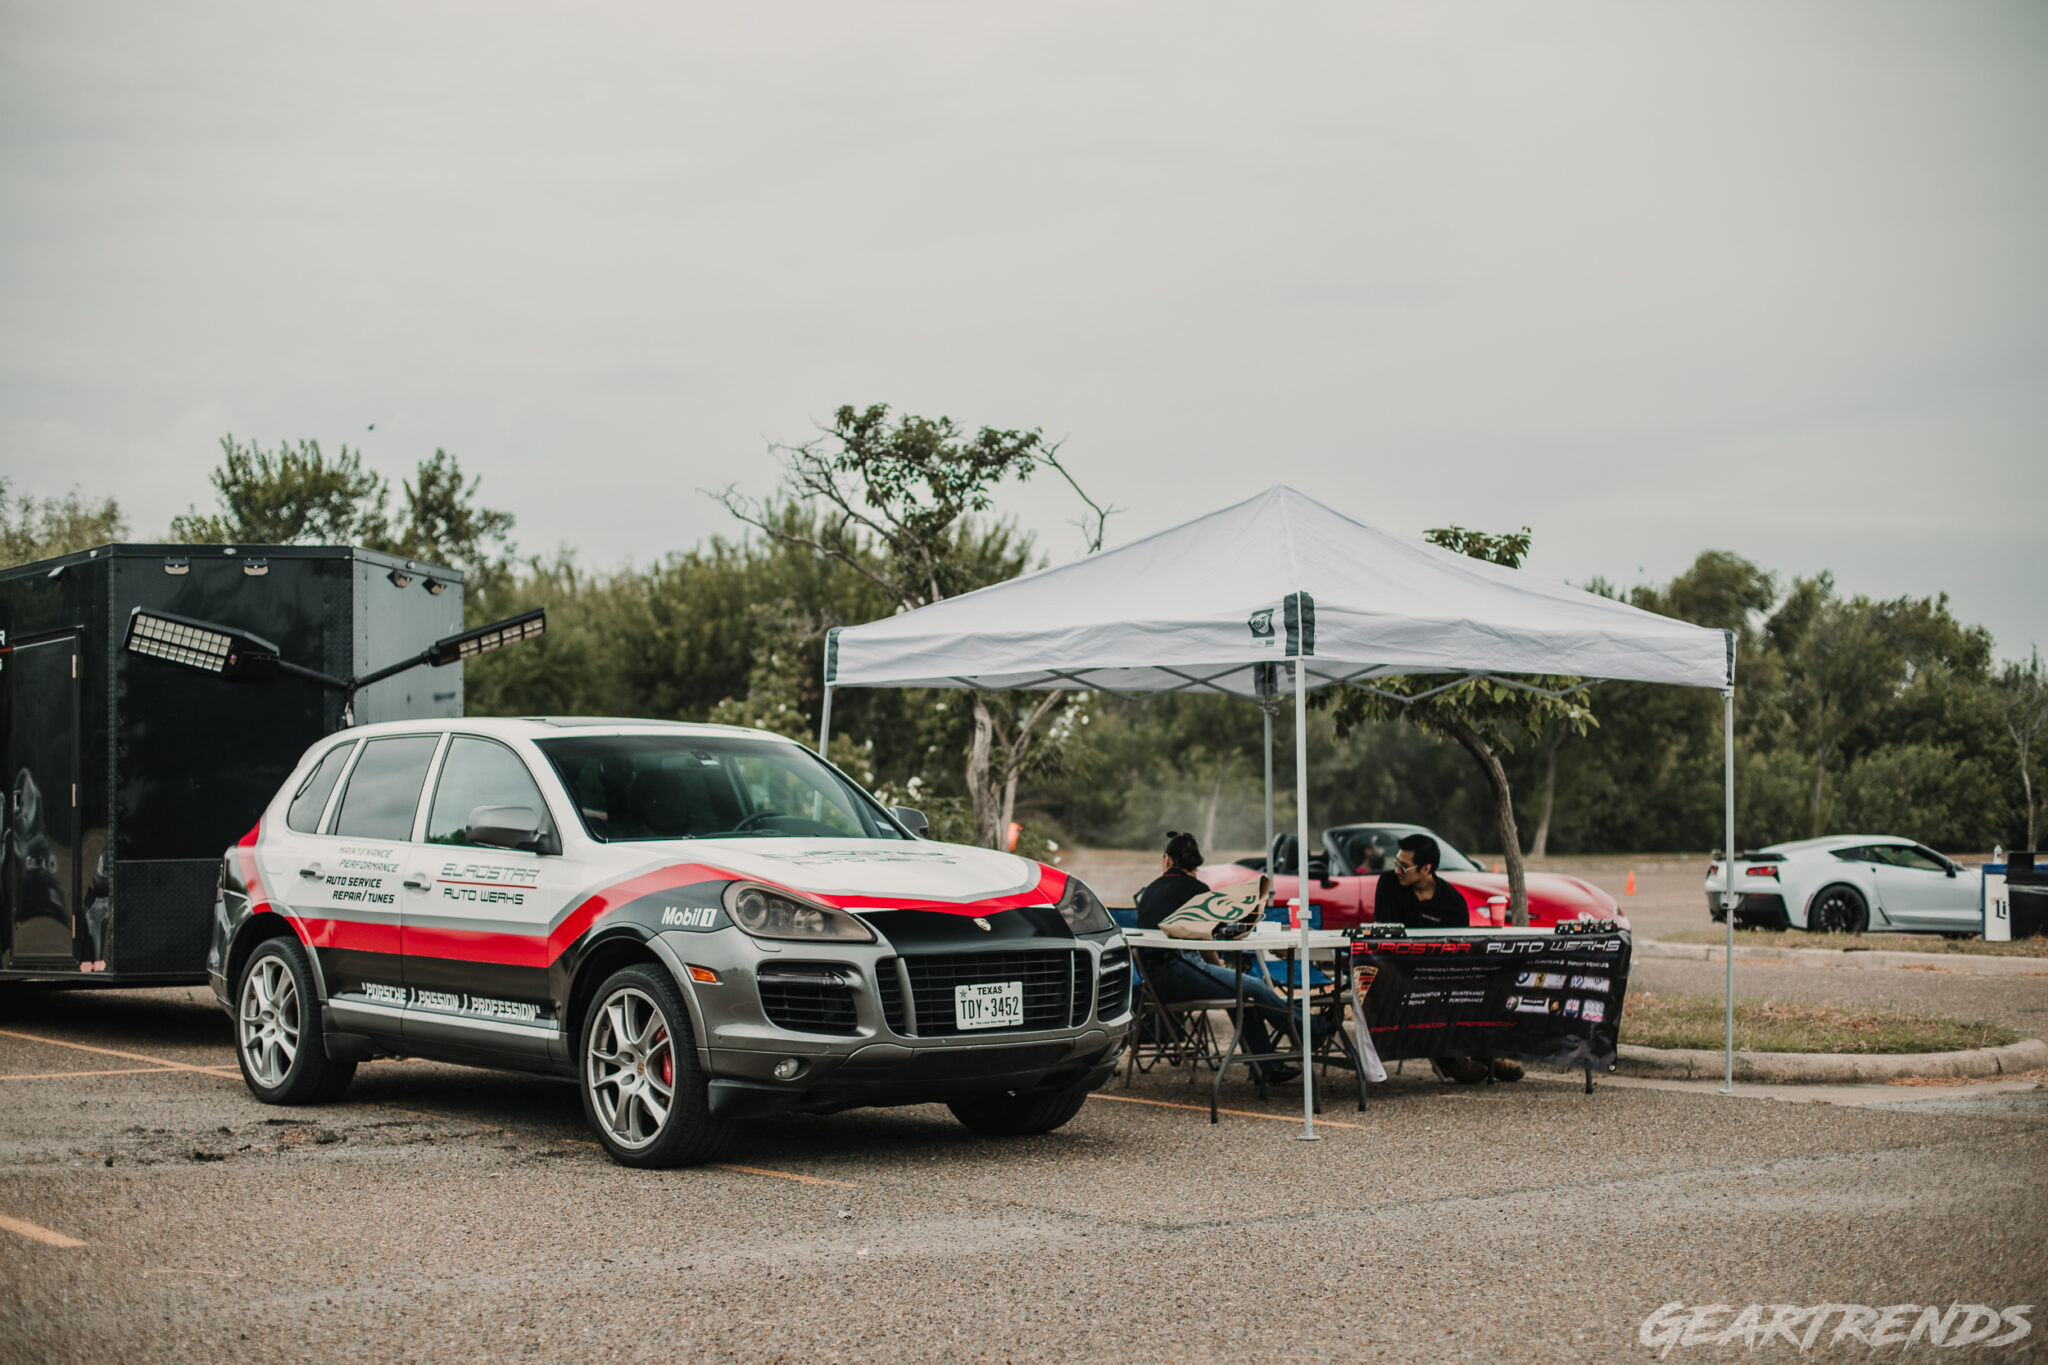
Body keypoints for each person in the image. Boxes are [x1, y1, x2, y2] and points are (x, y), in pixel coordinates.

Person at [1135, 831, 1321, 1084]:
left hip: (1152, 983)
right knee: (1253, 985)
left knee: (1241, 992)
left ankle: (1265, 1066)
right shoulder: (1197, 890)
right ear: (1196, 861)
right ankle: (1307, 1030)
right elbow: (1206, 941)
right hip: (1179, 972)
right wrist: (1219, 966)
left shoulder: (1150, 891)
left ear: (1167, 859)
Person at [1373, 833, 1522, 1083]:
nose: (1397, 870)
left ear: (1426, 868)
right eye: (1396, 863)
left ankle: (1487, 1056)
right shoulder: (1389, 884)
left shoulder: (1452, 901)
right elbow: (1381, 934)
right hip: (1397, 972)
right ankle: (1451, 1063)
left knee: (1476, 989)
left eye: (1404, 866)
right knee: (1425, 998)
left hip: (1443, 972)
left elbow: (1460, 950)